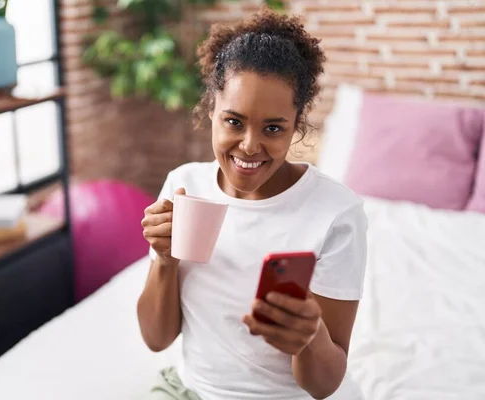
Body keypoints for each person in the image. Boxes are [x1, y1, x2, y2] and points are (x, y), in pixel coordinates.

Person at [138, 8, 367, 400]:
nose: (249, 146)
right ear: (212, 109)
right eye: (233, 121)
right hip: (193, 391)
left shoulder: (336, 212)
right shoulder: (183, 186)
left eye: (273, 128)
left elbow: (324, 384)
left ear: (297, 124)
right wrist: (164, 261)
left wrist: (309, 337)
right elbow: (157, 340)